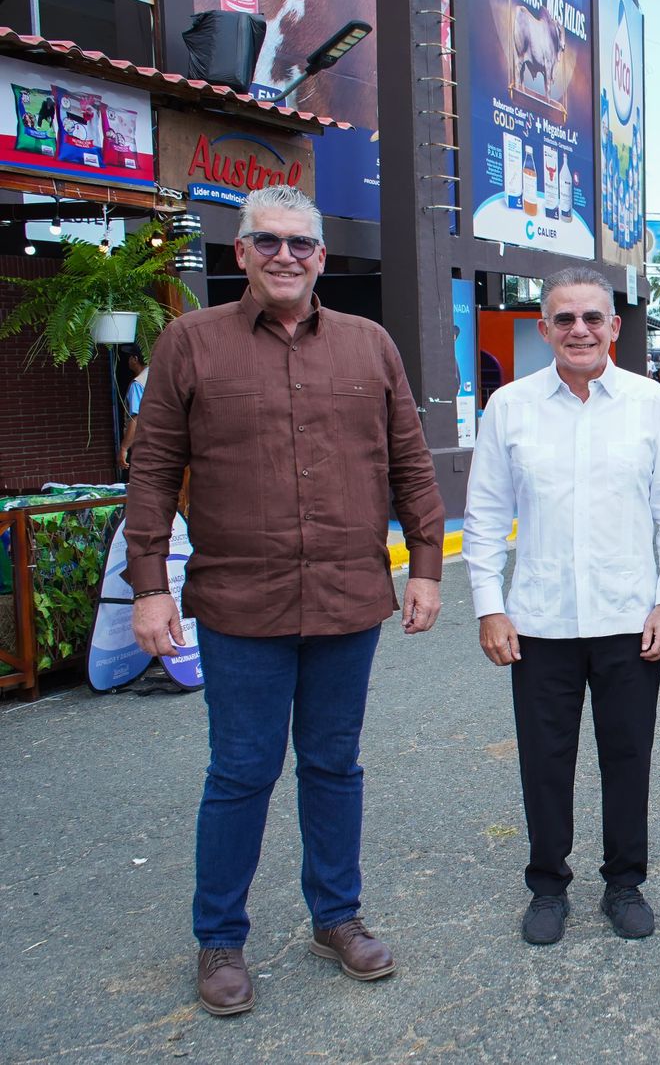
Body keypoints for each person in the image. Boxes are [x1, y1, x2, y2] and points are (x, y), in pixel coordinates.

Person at [125, 185, 445, 1017]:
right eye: (267, 242)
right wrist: (150, 589)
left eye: (300, 244)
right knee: (241, 772)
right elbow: (153, 470)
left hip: (346, 599)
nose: (285, 257)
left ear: (321, 257)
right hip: (241, 604)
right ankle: (220, 938)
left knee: (334, 766)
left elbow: (409, 461)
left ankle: (335, 918)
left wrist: (425, 566)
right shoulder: (189, 343)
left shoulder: (370, 346)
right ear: (241, 254)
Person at [462, 266, 660, 946]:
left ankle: (625, 884)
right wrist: (489, 606)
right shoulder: (510, 406)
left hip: (629, 620)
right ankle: (547, 886)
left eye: (593, 318)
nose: (580, 330)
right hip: (540, 623)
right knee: (544, 760)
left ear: (615, 328)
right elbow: (483, 517)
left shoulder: (651, 404)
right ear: (545, 329)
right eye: (565, 319)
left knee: (628, 758)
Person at [119, 351, 148, 471]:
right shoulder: (160, 375)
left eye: (129, 357)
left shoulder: (138, 384)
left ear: (135, 359)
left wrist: (124, 448)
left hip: (146, 443)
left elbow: (135, 419)